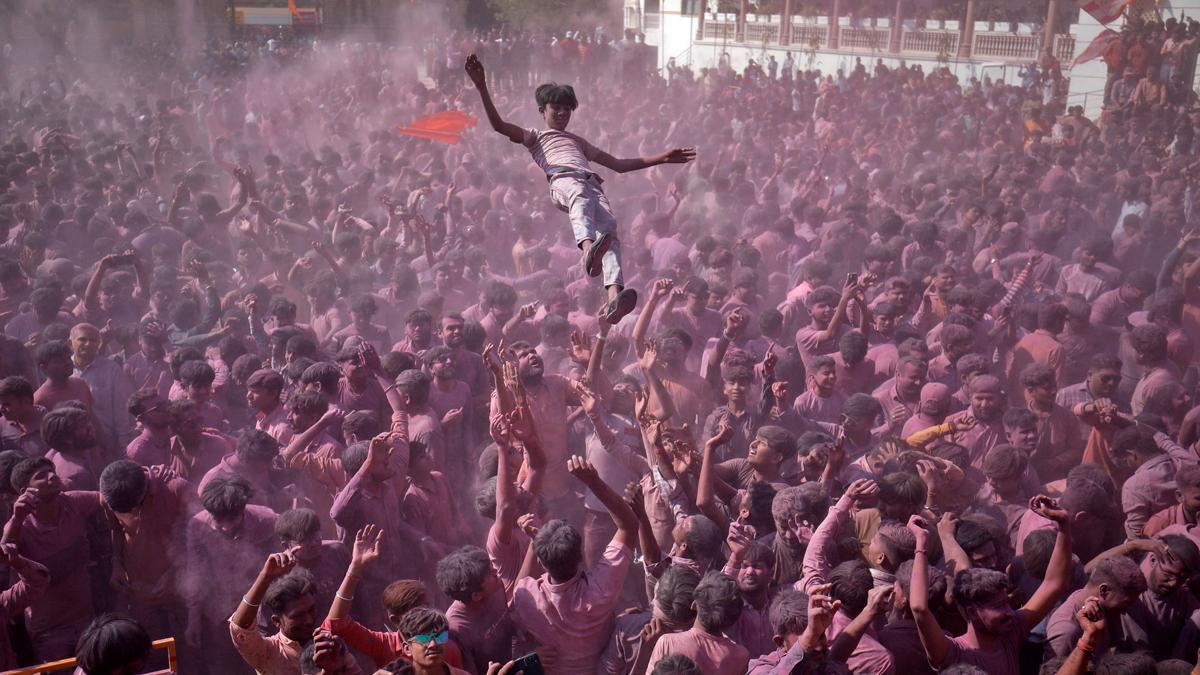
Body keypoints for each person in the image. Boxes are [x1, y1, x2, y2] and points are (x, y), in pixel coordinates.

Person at [464, 53, 695, 324]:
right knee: (579, 198)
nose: (562, 113)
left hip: (591, 182)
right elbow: (499, 126)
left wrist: (663, 158)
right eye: (555, 108)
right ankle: (588, 253)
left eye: (567, 109)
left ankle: (613, 300)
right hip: (563, 181)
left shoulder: (579, 141)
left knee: (610, 232)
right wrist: (481, 86)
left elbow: (619, 164)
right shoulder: (535, 136)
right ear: (543, 111)